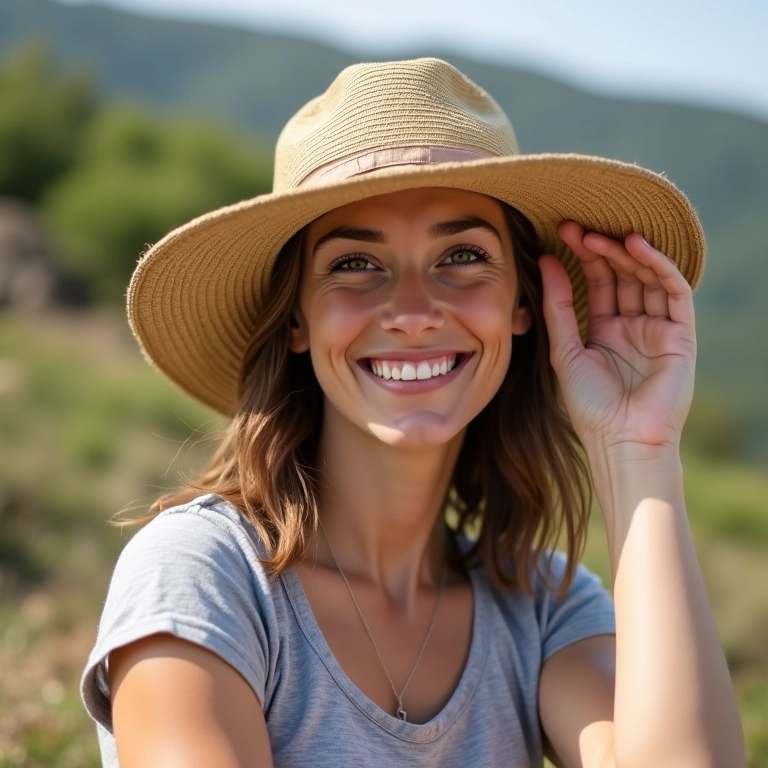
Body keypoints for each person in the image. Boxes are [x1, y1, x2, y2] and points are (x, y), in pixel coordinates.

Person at [81, 58, 745, 767]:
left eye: (462, 254)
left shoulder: (544, 606)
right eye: (354, 264)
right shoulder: (205, 574)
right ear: (297, 320)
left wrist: (636, 448)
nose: (412, 312)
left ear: (524, 305)